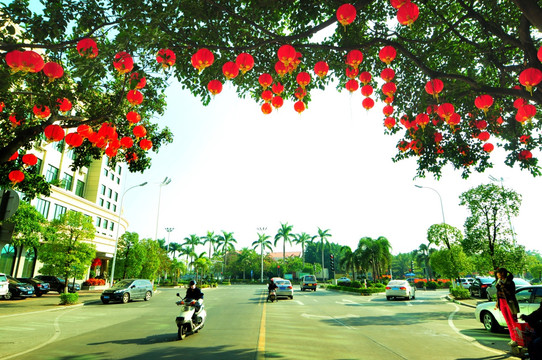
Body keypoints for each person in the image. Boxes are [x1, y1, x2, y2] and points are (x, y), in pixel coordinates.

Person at [494, 268, 520, 347]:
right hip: (502, 303)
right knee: (508, 322)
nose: (497, 275)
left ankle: (517, 339)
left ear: (502, 273)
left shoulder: (510, 282)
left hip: (510, 303)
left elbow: (510, 293)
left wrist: (502, 285)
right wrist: (497, 302)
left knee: (513, 322)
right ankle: (512, 339)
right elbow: (498, 293)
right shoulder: (499, 282)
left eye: (498, 273)